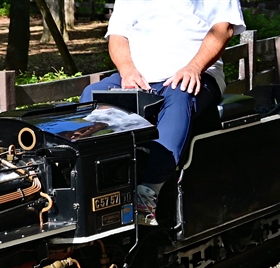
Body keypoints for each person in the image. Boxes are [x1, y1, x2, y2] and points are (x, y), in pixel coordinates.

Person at [81, 1, 246, 226]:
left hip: (195, 73)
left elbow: (223, 29)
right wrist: (127, 71)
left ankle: (149, 191)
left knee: (180, 96)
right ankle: (91, 185)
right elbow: (118, 35)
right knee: (91, 94)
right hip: (138, 76)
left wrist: (193, 68)